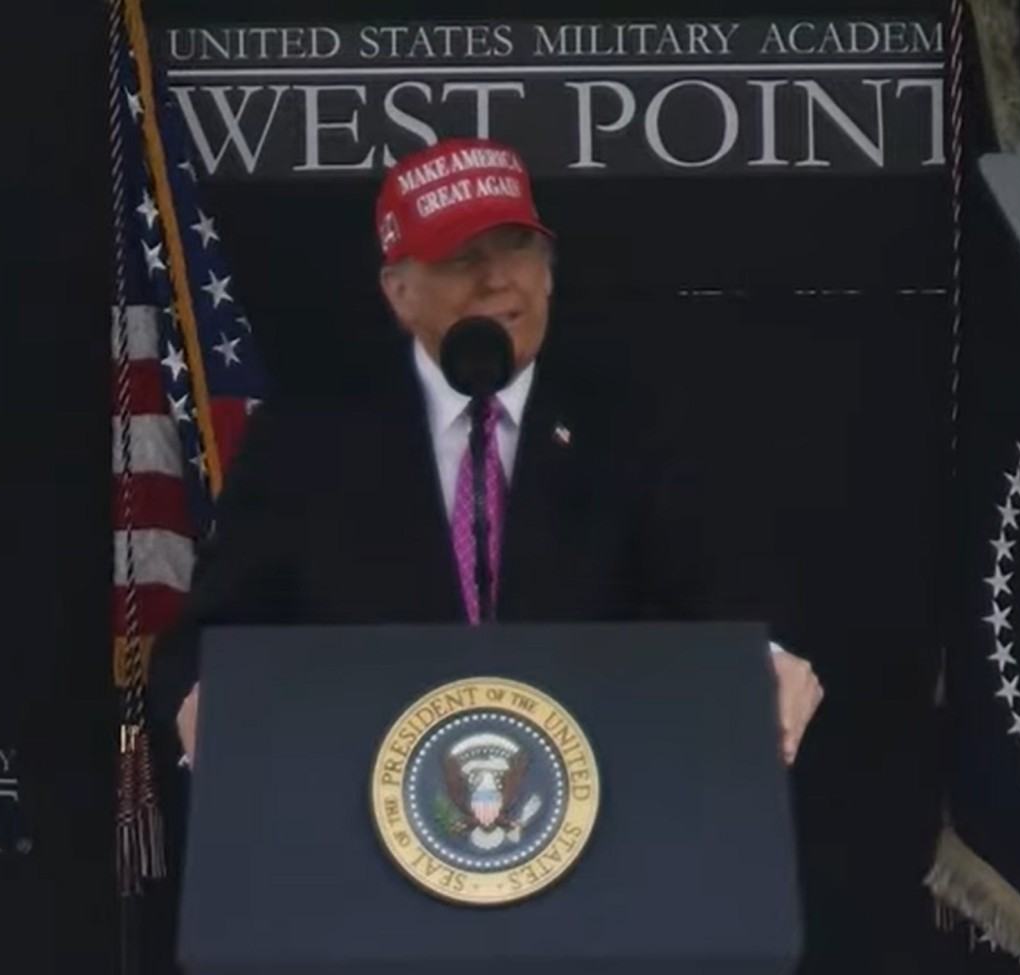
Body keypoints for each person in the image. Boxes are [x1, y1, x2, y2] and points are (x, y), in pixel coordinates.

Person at [149, 137, 822, 767]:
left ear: (548, 272)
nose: (499, 279)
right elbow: (213, 637)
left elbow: (723, 594)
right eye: (462, 258)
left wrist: (764, 661)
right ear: (399, 292)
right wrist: (205, 696)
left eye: (517, 249)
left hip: (603, 790)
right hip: (367, 794)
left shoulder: (633, 424)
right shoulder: (306, 442)